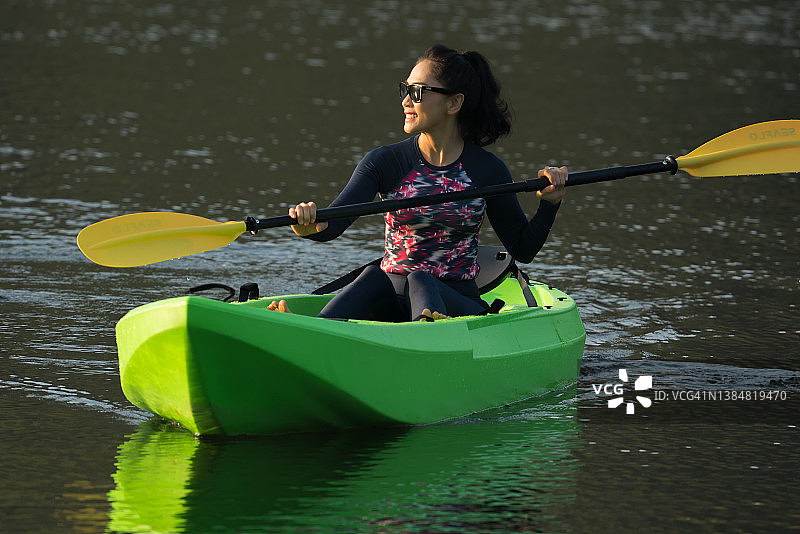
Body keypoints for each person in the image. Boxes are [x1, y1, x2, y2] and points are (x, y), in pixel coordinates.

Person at [268, 44, 567, 321]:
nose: (406, 101)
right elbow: (332, 224)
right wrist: (308, 226)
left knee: (421, 278)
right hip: (392, 296)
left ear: (454, 103)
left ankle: (428, 332)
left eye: (418, 92)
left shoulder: (486, 170)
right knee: (373, 278)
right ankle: (315, 330)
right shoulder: (384, 161)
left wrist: (549, 204)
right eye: (406, 90)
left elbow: (523, 248)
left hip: (458, 304)